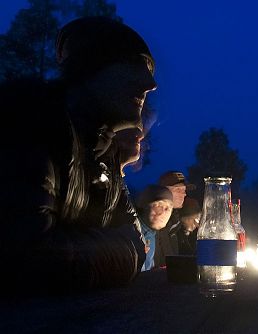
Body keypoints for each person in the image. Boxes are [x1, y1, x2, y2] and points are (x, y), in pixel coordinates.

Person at [0, 16, 157, 293]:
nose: (149, 84)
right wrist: (126, 253)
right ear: (90, 70)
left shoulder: (105, 152)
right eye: (133, 66)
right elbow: (27, 258)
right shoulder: (28, 122)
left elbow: (135, 241)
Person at [154, 171, 195, 265]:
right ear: (163, 191)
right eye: (178, 190)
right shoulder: (155, 221)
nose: (184, 194)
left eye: (184, 190)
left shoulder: (176, 222)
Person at [135, 185, 174, 271]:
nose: (162, 213)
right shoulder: (132, 234)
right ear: (144, 205)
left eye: (168, 208)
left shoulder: (152, 234)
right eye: (158, 205)